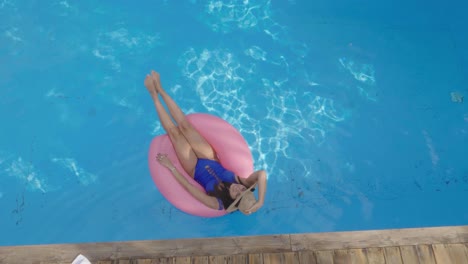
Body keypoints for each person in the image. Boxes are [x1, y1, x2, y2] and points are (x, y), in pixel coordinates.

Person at [144, 70, 267, 215]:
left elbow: (190, 188)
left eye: (237, 195)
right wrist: (260, 201)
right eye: (242, 190)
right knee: (185, 126)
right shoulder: (243, 182)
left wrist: (171, 167)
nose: (238, 189)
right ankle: (161, 89)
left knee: (174, 133)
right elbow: (262, 174)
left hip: (194, 168)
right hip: (209, 157)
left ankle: (154, 96)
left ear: (232, 200)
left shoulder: (217, 203)